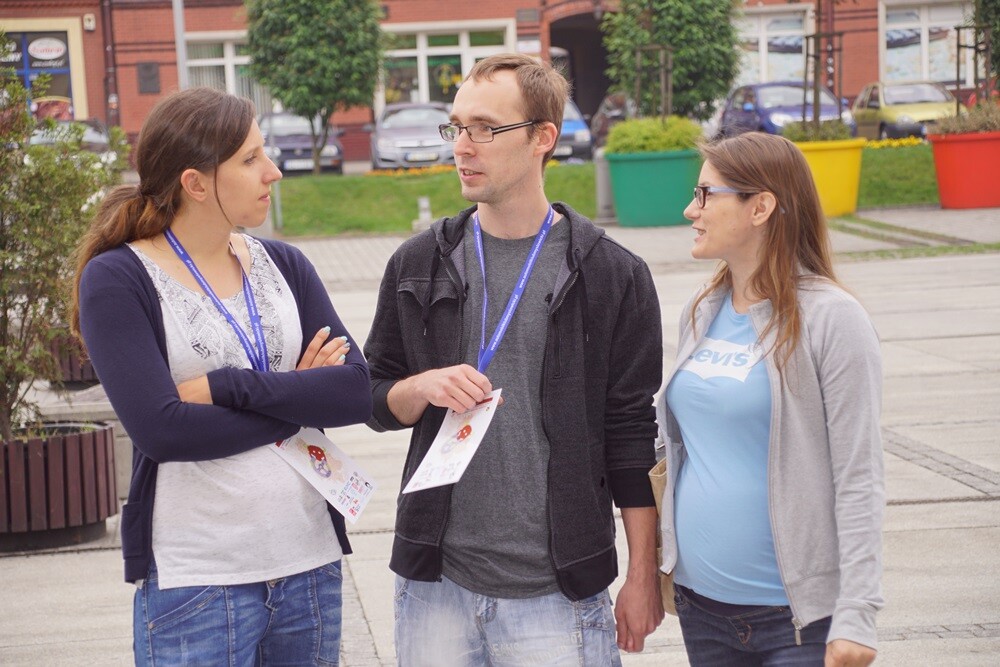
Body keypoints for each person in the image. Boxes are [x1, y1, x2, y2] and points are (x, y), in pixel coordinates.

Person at [363, 53, 664, 665]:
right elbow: (374, 397)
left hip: (555, 593)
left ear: (542, 139)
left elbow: (631, 434)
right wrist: (421, 386)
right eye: (456, 127)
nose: (462, 147)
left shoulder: (613, 274)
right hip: (434, 588)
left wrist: (640, 574)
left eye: (485, 128)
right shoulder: (418, 262)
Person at [71, 87, 372, 665]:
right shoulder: (118, 280)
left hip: (309, 567)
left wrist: (224, 388)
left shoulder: (285, 264)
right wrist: (300, 397)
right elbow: (165, 432)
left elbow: (355, 391)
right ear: (196, 182)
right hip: (200, 581)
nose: (274, 172)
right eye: (251, 159)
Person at [656, 132, 884, 666]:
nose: (691, 208)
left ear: (760, 206)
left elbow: (859, 474)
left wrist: (857, 614)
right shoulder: (703, 307)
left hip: (796, 623)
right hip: (702, 610)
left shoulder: (833, 319)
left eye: (707, 194)